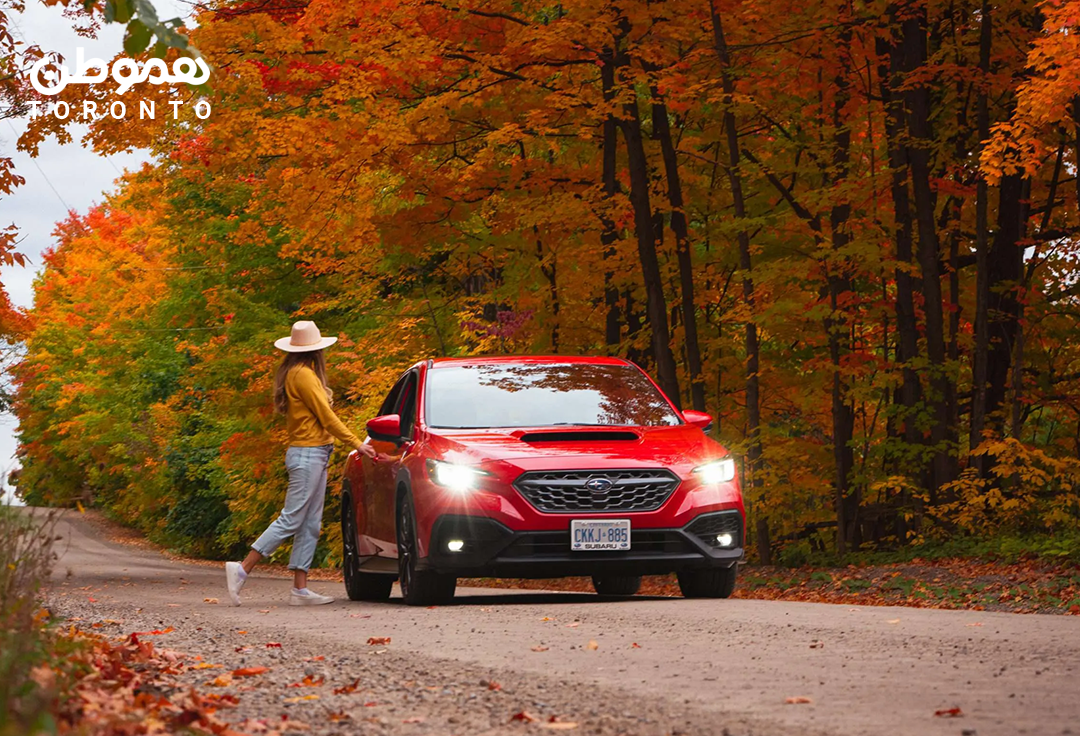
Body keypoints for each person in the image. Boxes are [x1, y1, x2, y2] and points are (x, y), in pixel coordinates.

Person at [224, 320, 380, 607]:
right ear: (317, 349)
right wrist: (358, 443)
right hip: (307, 454)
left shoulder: (299, 373)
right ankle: (242, 568)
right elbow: (327, 418)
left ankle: (300, 588)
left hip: (315, 453)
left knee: (310, 523)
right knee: (293, 517)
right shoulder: (304, 376)